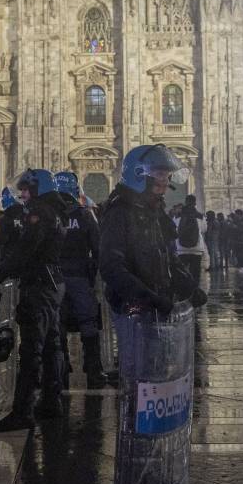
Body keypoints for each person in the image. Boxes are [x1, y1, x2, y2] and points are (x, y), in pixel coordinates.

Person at [99, 145, 201, 385]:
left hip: (156, 304)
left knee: (157, 367)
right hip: (132, 307)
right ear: (138, 175)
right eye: (159, 175)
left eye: (166, 175)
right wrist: (148, 298)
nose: (165, 181)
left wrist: (188, 287)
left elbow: (165, 254)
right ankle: (134, 419)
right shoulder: (119, 212)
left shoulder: (152, 209)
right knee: (138, 371)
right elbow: (112, 267)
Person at [0, 169, 68, 430]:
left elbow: (25, 251)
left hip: (39, 286)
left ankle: (23, 411)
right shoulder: (57, 211)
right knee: (51, 345)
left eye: (26, 189)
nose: (23, 194)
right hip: (53, 283)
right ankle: (51, 400)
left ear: (38, 190)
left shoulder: (39, 213)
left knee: (31, 350)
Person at [54, 170, 106, 385]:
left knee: (59, 324)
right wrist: (93, 272)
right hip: (79, 277)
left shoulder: (50, 215)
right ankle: (93, 369)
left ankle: (61, 368)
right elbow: (98, 246)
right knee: (88, 321)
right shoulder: (84, 215)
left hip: (54, 279)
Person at [175, 194, 206, 288]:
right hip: (196, 249)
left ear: (186, 202)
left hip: (181, 248)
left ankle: (183, 291)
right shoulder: (200, 216)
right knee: (195, 273)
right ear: (195, 203)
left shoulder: (178, 216)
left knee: (181, 272)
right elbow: (204, 229)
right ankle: (194, 291)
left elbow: (175, 229)